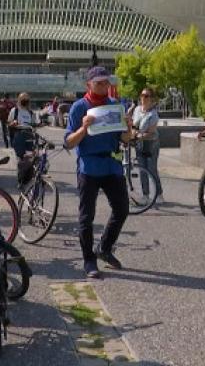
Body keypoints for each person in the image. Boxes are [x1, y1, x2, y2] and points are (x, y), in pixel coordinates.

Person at [64, 66, 134, 279]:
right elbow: (68, 143)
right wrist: (83, 128)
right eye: (99, 83)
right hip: (89, 167)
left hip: (112, 165)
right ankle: (89, 260)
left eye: (106, 82)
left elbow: (124, 140)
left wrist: (128, 128)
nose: (104, 86)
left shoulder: (115, 106)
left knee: (122, 209)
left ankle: (104, 247)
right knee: (87, 217)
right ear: (89, 84)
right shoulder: (79, 107)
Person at [131, 87, 164, 205]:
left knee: (151, 169)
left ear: (152, 99)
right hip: (139, 144)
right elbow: (134, 125)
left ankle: (159, 193)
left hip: (151, 143)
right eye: (142, 95)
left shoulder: (153, 114)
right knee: (142, 170)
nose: (143, 98)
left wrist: (138, 136)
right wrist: (133, 133)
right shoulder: (137, 110)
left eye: (146, 96)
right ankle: (145, 195)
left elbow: (151, 131)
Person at [9, 92, 36, 158]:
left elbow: (34, 126)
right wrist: (13, 123)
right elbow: (9, 123)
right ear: (19, 100)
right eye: (23, 99)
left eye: (26, 99)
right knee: (21, 157)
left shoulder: (31, 112)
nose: (25, 101)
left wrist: (35, 126)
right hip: (18, 135)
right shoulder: (14, 110)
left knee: (31, 157)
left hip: (29, 135)